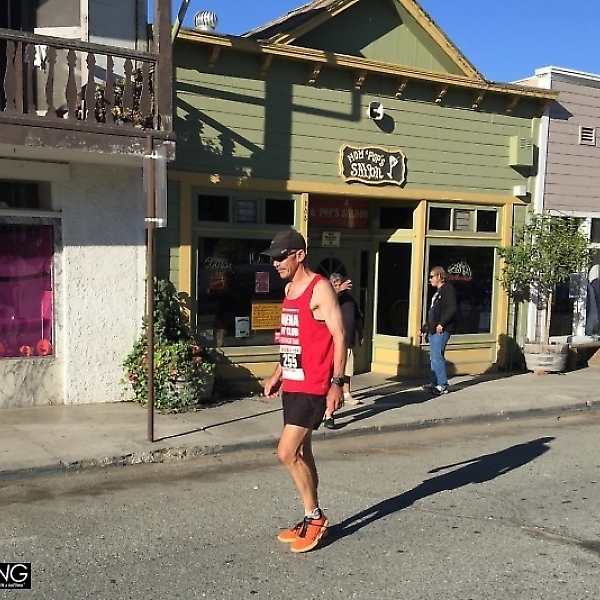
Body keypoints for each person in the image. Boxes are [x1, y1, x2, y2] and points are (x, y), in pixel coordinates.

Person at [262, 229, 346, 553]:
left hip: (314, 384)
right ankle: (311, 516)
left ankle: (315, 516)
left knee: (286, 452)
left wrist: (337, 383)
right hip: (294, 382)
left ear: (300, 255)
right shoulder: (289, 289)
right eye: (273, 258)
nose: (276, 263)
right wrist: (277, 374)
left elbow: (340, 336)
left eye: (281, 257)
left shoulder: (320, 287)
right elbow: (292, 339)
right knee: (302, 452)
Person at [323, 273, 364, 429]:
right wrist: (338, 290)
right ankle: (326, 412)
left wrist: (360, 333)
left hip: (346, 344)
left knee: (342, 375)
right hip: (330, 346)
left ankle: (331, 411)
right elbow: (330, 300)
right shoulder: (329, 298)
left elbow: (357, 317)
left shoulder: (349, 299)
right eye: (336, 284)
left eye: (340, 283)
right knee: (329, 380)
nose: (340, 286)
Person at [419, 266, 457, 395]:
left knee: (437, 357)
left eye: (432, 276)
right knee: (433, 357)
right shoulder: (438, 293)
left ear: (439, 276)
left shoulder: (448, 290)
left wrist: (442, 323)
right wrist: (424, 328)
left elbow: (451, 308)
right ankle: (434, 382)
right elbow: (433, 314)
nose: (430, 279)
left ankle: (443, 385)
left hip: (441, 330)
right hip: (433, 330)